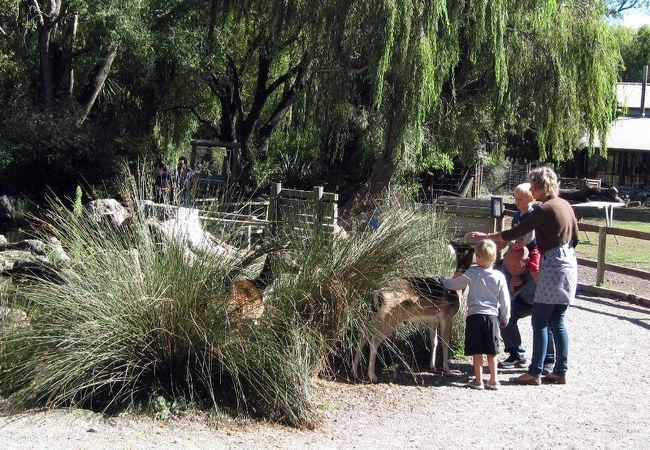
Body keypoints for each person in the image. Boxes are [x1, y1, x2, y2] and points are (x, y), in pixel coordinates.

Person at [468, 166, 578, 385]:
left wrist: (487, 235)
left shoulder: (544, 208)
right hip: (569, 264)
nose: (532, 190)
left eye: (533, 186)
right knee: (558, 321)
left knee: (540, 321)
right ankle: (560, 370)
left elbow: (515, 233)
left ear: (538, 187)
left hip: (553, 265)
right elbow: (575, 236)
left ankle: (535, 371)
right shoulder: (565, 205)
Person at [498, 183, 555, 372]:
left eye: (520, 199)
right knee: (506, 313)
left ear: (531, 198)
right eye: (515, 199)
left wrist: (520, 246)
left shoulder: (534, 214)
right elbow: (513, 235)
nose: (516, 202)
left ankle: (548, 359)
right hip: (518, 261)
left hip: (530, 253)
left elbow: (530, 237)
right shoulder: (516, 216)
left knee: (545, 320)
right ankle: (515, 353)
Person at [440, 239, 510, 390]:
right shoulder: (499, 276)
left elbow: (454, 284)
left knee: (476, 350)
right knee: (493, 351)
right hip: (492, 317)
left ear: (477, 257)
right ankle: (494, 379)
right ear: (495, 257)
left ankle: (478, 381)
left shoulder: (472, 273)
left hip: (474, 316)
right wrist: (505, 317)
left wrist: (443, 281)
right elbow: (505, 300)